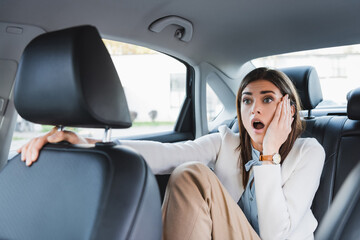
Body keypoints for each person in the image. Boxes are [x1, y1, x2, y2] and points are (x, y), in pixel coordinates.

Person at [17, 67, 325, 240]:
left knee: (194, 174)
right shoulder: (225, 141)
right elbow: (164, 155)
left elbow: (274, 235)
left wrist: (269, 154)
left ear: (288, 108)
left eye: (267, 99)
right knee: (186, 169)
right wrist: (84, 142)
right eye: (246, 100)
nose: (254, 108)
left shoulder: (309, 152)